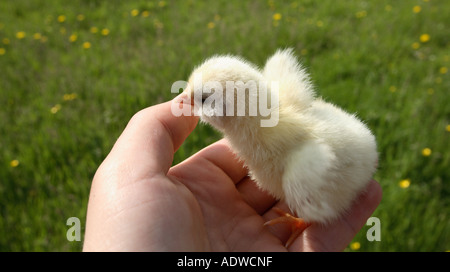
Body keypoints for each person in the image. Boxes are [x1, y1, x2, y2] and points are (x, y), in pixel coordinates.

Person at [83, 100, 382, 251]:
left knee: (306, 192)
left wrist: (307, 215)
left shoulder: (296, 166)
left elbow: (325, 187)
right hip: (342, 143)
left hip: (342, 155)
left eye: (202, 100)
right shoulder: (273, 121)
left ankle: (304, 217)